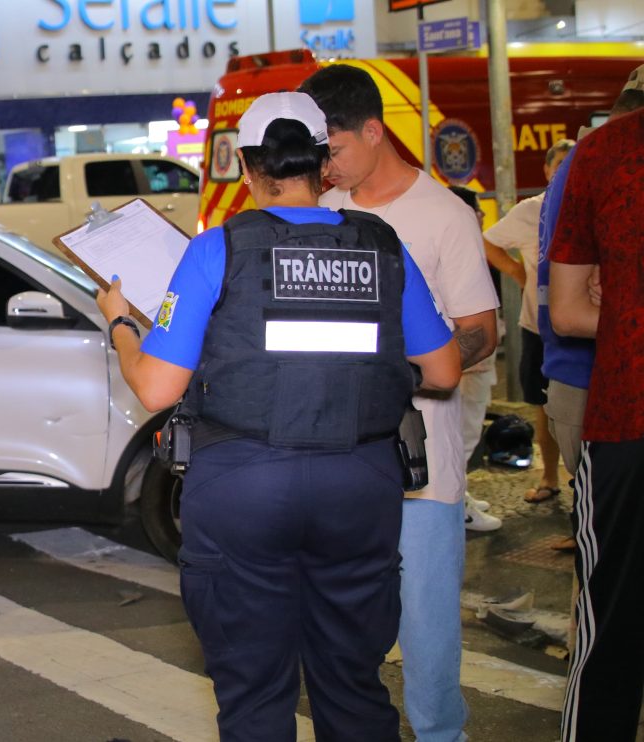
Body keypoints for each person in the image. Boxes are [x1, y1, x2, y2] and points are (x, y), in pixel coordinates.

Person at [96, 91, 460, 741]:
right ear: (325, 163)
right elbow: (443, 372)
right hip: (359, 484)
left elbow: (155, 388)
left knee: (255, 692)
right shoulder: (382, 246)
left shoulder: (217, 251)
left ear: (244, 164)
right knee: (352, 685)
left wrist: (123, 325)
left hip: (243, 486)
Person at [299, 65, 499, 742]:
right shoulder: (322, 214)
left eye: (336, 150)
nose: (325, 167)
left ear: (374, 131)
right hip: (336, 461)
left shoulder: (442, 215)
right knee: (340, 633)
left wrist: (403, 372)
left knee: (428, 639)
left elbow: (481, 328)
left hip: (422, 470)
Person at [547, 71, 644, 742]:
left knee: (612, 628)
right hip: (623, 418)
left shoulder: (604, 153)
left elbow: (570, 309)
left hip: (628, 419)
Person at [482, 140, 575, 506]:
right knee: (543, 405)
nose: (565, 172)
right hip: (540, 329)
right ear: (548, 171)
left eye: (572, 164)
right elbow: (487, 242)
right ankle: (551, 478)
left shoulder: (592, 204)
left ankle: (583, 485)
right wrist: (520, 274)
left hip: (580, 333)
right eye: (560, 165)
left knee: (579, 412)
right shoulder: (530, 211)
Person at [445, 185, 502, 532]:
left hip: (471, 360)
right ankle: (459, 506)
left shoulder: (460, 246)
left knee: (465, 432)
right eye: (476, 209)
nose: (482, 215)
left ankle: (461, 494)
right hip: (470, 362)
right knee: (463, 437)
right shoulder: (461, 250)